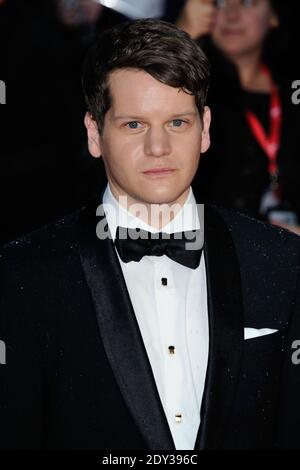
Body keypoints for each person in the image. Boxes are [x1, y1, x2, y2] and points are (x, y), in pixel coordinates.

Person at [0, 19, 299, 450]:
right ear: (94, 133)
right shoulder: (25, 274)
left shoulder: (282, 263)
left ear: (205, 128)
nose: (158, 147)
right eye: (134, 125)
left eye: (177, 123)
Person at [174, 0, 300, 234]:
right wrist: (181, 36)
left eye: (247, 2)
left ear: (274, 15)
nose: (231, 14)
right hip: (207, 246)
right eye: (219, 2)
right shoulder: (189, 89)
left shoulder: (292, 88)